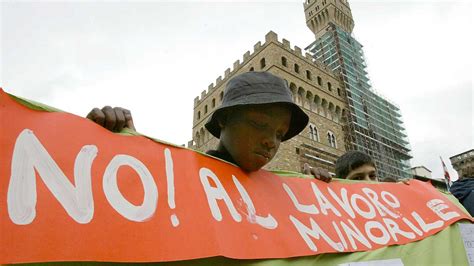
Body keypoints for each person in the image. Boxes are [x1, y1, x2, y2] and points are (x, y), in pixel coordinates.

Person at [86, 71, 330, 181]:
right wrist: (120, 151)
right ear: (223, 120)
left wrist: (315, 195)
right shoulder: (178, 176)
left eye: (280, 133)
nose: (272, 142)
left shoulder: (282, 193)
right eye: (258, 123)